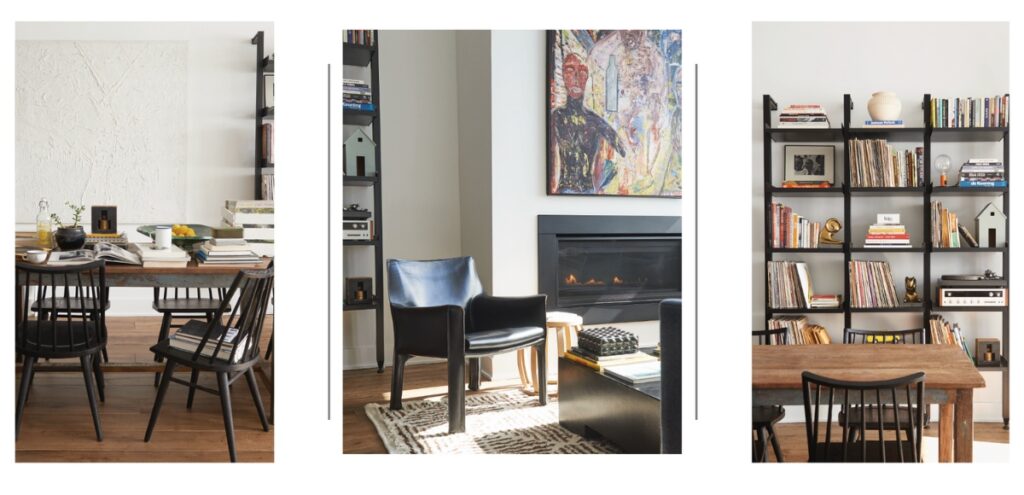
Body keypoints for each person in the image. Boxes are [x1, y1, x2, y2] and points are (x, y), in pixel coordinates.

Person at [551, 53, 625, 193]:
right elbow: (550, 160)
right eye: (570, 71)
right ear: (563, 76)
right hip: (563, 193)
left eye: (582, 72)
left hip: (589, 192)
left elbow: (623, 149)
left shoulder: (595, 121)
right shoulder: (557, 117)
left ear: (586, 78)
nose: (576, 78)